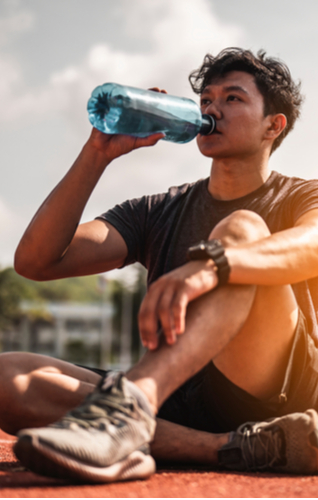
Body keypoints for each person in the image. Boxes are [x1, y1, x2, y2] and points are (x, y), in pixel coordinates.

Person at [4, 47, 318, 482]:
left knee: (243, 228)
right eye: (207, 100)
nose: (212, 109)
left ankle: (130, 408)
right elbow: (37, 261)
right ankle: (237, 448)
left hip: (268, 389)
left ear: (273, 125)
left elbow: (313, 244)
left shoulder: (301, 195)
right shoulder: (158, 209)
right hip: (179, 400)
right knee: (10, 378)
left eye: (233, 99)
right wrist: (97, 152)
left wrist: (214, 264)